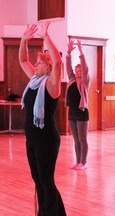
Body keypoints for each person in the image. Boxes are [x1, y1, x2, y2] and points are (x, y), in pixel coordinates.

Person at [19, 22, 66, 215]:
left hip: (47, 139)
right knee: (38, 179)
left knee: (46, 181)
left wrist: (46, 37)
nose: (35, 65)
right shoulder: (34, 81)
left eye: (40, 63)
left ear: (48, 68)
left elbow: (59, 63)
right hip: (32, 138)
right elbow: (23, 60)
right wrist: (24, 39)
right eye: (36, 63)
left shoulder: (51, 85)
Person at [66, 39, 90, 170]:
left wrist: (81, 51)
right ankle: (78, 161)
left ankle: (84, 162)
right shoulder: (71, 80)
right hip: (72, 113)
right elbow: (68, 67)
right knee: (76, 140)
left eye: (80, 70)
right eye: (77, 70)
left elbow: (85, 67)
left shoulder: (85, 82)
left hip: (82, 112)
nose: (78, 72)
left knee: (82, 139)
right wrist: (69, 52)